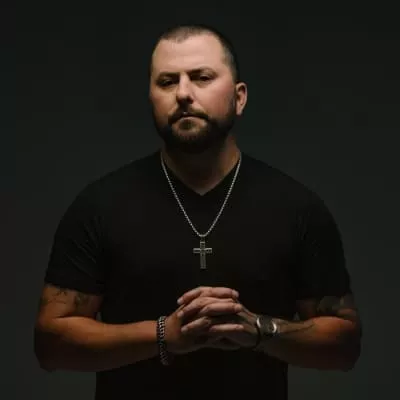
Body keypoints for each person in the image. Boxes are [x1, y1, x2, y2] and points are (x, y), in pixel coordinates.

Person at [34, 24, 362, 400]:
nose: (183, 93)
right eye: (167, 81)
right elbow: (50, 345)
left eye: (202, 77)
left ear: (239, 97)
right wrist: (164, 335)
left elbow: (345, 346)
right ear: (151, 97)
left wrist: (259, 329)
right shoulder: (99, 204)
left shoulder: (297, 207)